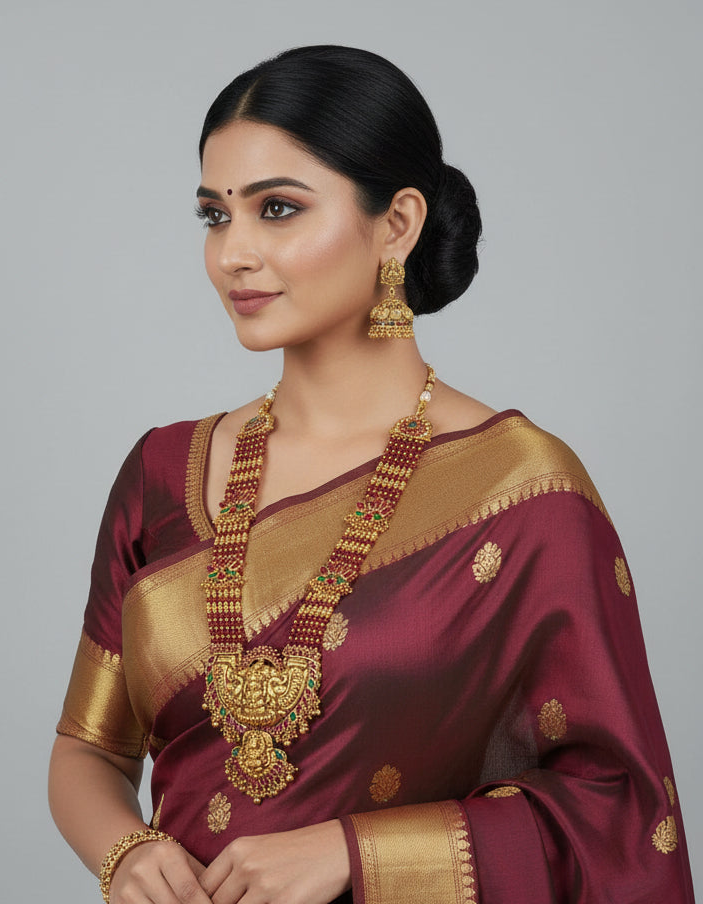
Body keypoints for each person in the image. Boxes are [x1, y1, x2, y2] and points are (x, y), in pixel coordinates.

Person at [48, 45, 695, 904]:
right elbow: (88, 749)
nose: (233, 253)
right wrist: (125, 850)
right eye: (215, 216)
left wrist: (357, 853)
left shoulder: (525, 491)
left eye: (277, 209)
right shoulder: (164, 472)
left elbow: (617, 807)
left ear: (397, 224)